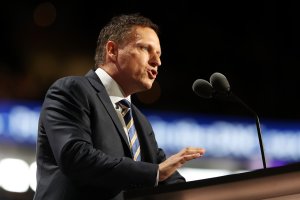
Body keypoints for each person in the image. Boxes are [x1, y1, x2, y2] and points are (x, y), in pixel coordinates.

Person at [33, 13, 206, 200]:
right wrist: (154, 172)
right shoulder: (72, 90)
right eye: (146, 49)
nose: (157, 61)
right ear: (112, 50)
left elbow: (169, 179)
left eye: (158, 54)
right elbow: (76, 157)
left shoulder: (140, 122)